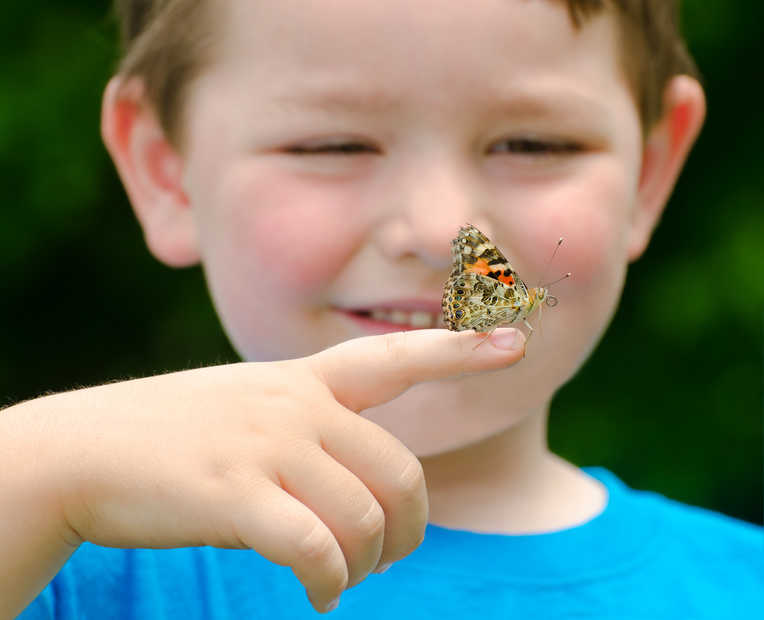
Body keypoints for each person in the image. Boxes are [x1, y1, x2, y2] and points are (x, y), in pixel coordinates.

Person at [4, 0, 761, 617]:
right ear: (164, 169)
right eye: (333, 145)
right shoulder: (63, 556)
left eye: (533, 143)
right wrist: (39, 467)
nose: (439, 231)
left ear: (651, 171)